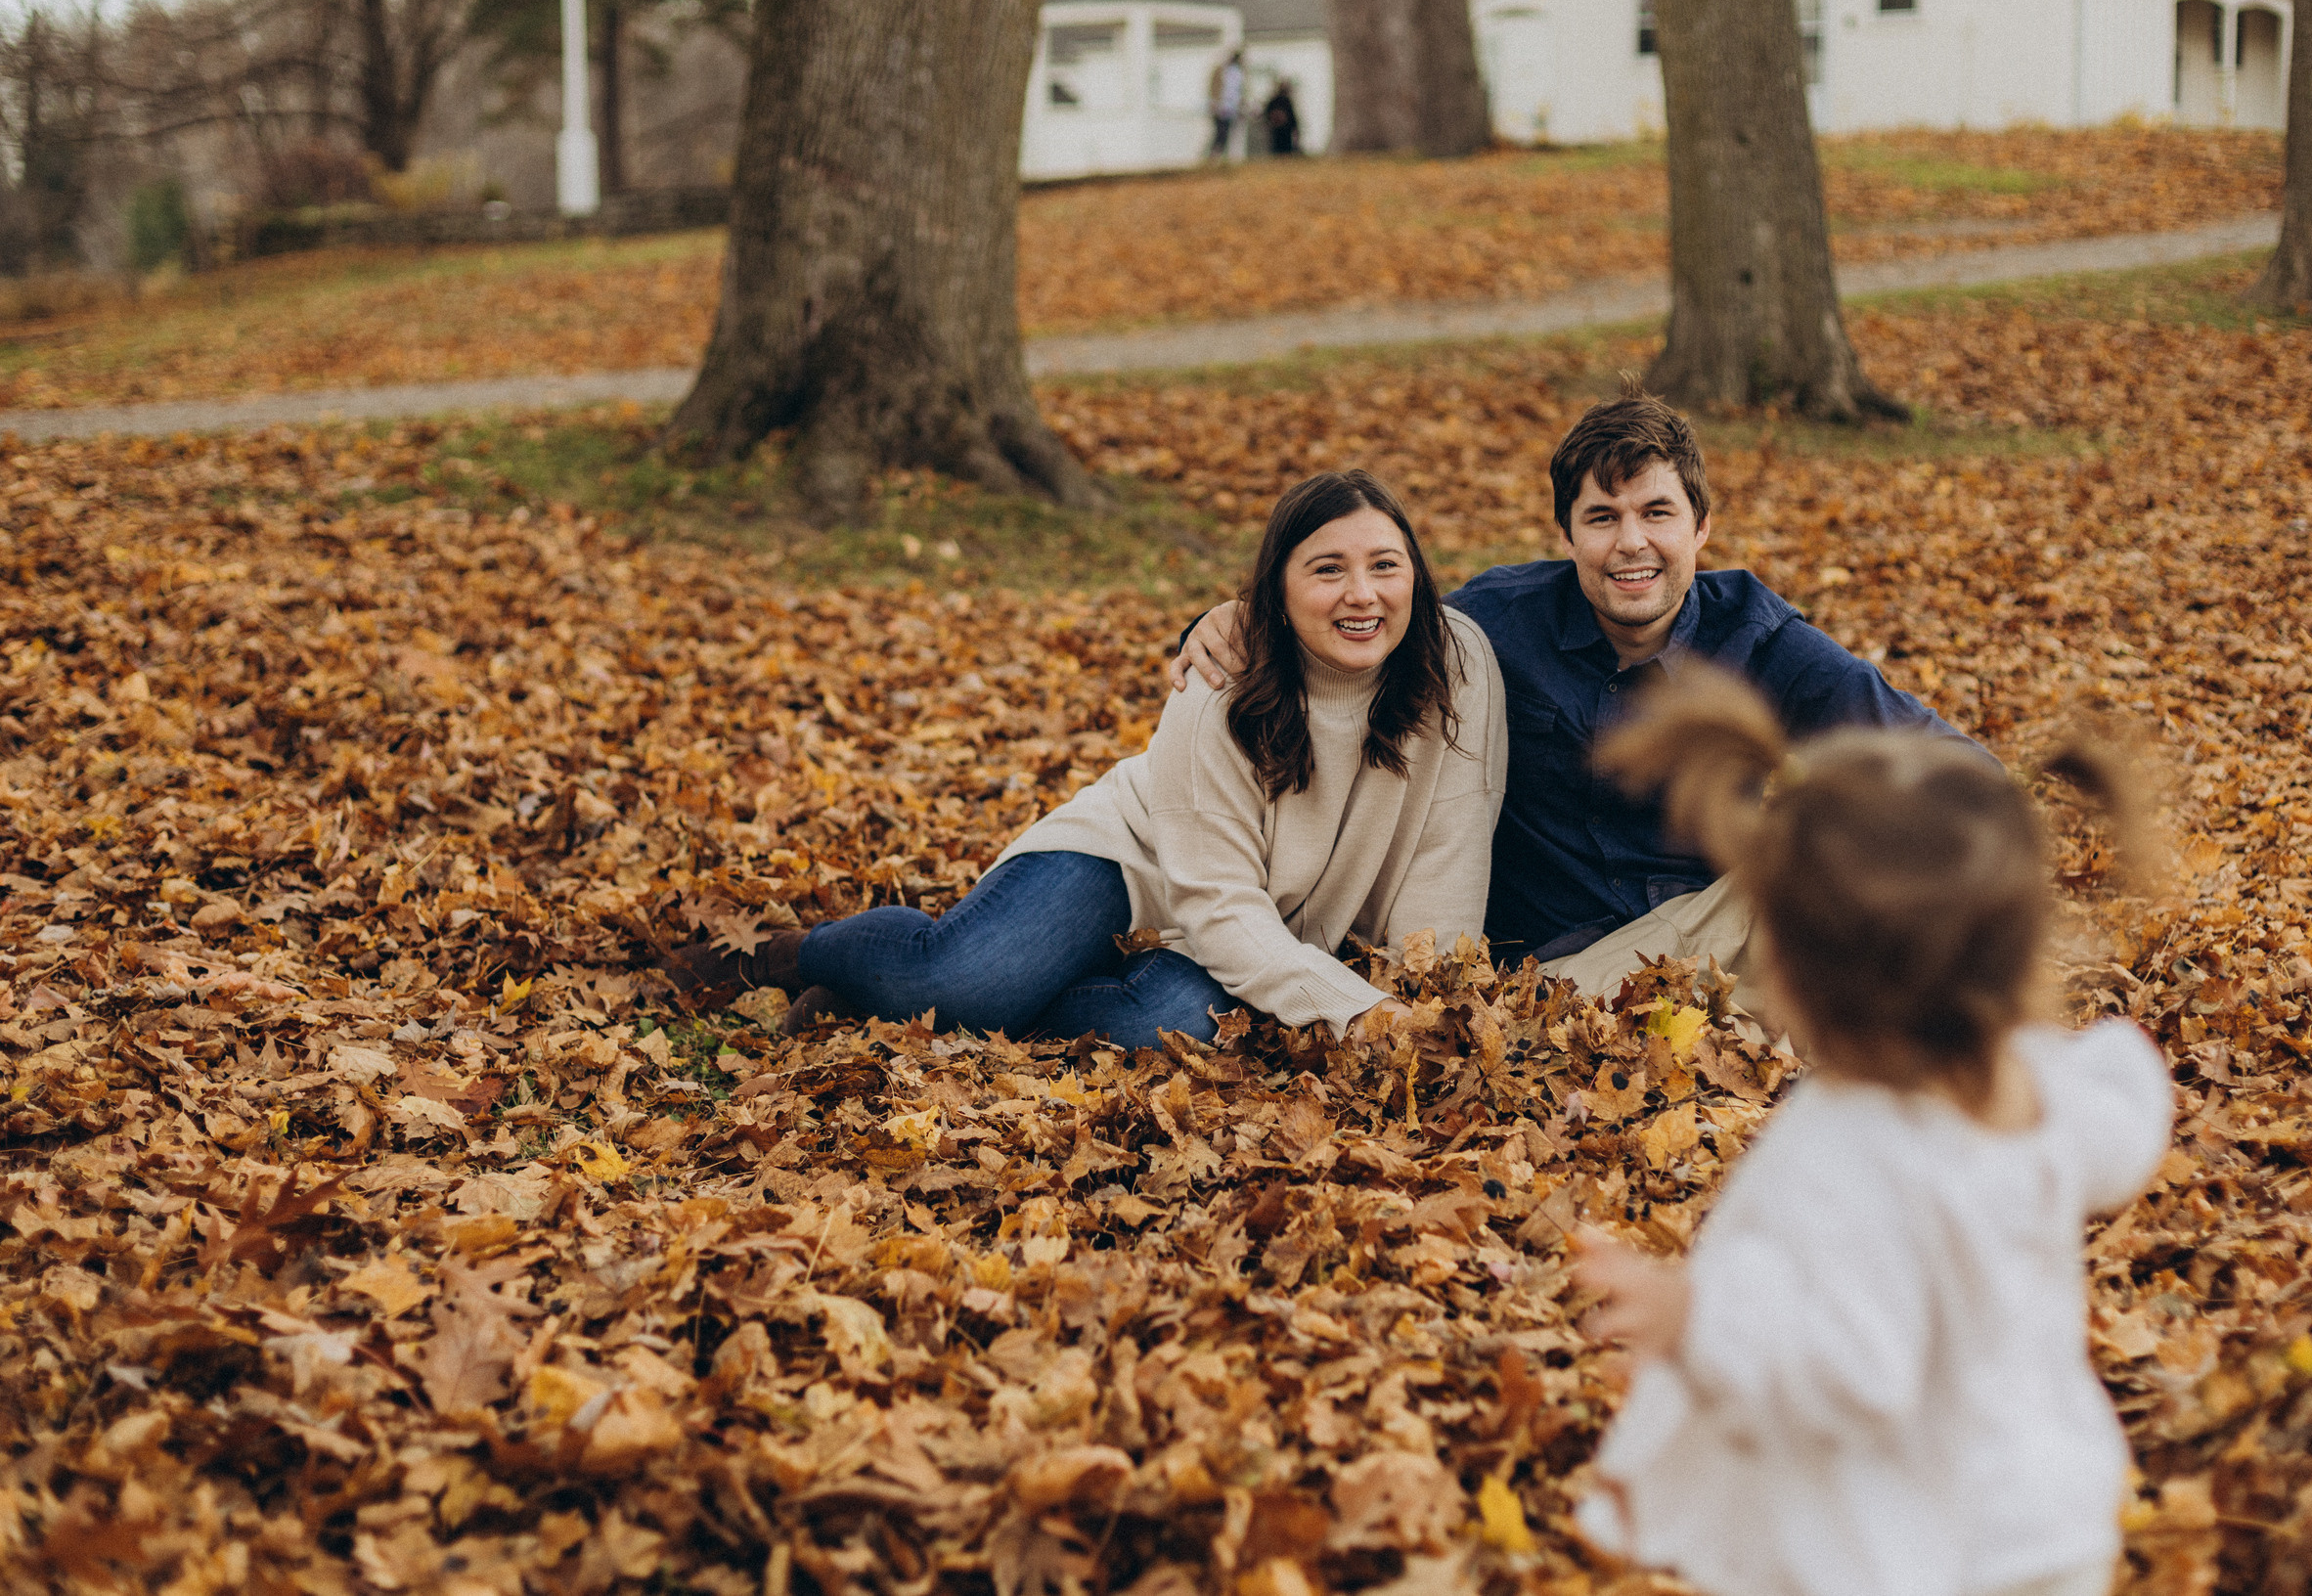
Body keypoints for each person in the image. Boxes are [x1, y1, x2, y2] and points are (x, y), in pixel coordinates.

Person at [1571, 664, 2174, 1596]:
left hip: (1910, 1543)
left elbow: (1855, 1368)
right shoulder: (2043, 1086)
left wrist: (1698, 1320)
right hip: (2049, 1508)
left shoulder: (1849, 1152)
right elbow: (2122, 1122)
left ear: (1800, 975)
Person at [1171, 393, 1967, 1002]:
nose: (1631, 543)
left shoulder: (1759, 642)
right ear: (1566, 534)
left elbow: (1959, 771)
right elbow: (1363, 620)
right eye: (1602, 517)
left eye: (1658, 513)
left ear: (1701, 529)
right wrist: (1235, 617)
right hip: (1548, 971)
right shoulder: (1495, 625)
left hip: (1706, 936)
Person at [672, 470, 1504, 1051]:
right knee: (964, 979)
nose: (1362, 594)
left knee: (1168, 1024)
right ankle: (792, 954)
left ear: (1416, 577)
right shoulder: (1219, 686)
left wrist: (1426, 1002)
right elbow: (1215, 906)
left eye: (1384, 566)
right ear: (1274, 593)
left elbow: (1451, 851)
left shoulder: (1457, 663)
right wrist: (1358, 1014)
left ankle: (883, 1006)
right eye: (1328, 570)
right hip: (1134, 861)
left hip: (1264, 924)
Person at [1209, 50, 1246, 160]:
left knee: (1228, 133)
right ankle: (1215, 157)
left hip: (1232, 107)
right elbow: (1215, 88)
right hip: (1223, 107)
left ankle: (1226, 157)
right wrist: (1214, 103)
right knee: (1221, 133)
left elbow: (1239, 91)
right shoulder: (1223, 71)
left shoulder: (1239, 72)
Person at [1263, 81, 1302, 156]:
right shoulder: (1277, 101)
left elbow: (1293, 119)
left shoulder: (1286, 102)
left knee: (1285, 154)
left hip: (1286, 133)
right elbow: (1268, 116)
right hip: (1277, 132)